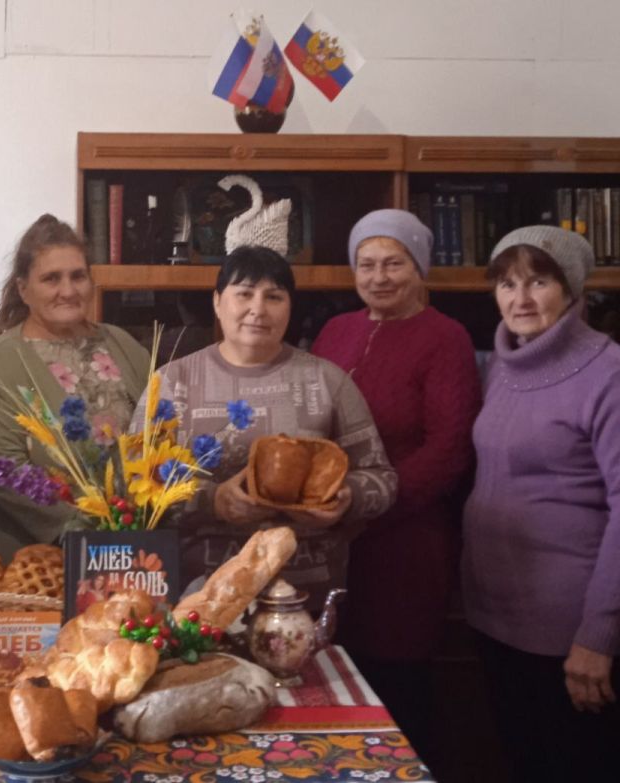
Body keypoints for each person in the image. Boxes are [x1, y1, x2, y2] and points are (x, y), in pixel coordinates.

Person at [132, 245, 398, 610]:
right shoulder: (172, 382)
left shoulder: (327, 381)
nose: (258, 309)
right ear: (217, 302)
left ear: (290, 306)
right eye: (244, 294)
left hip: (305, 596)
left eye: (274, 297)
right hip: (197, 596)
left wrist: (346, 497)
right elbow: (134, 484)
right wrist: (212, 501)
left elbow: (382, 479)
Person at [311, 209, 482, 762]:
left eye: (394, 263)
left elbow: (449, 450)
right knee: (332, 687)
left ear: (419, 267)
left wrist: (365, 505)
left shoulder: (446, 338)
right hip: (330, 540)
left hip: (406, 547)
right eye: (366, 264)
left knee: (397, 692)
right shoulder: (336, 331)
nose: (379, 277)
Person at [462, 225, 620, 782]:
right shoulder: (505, 365)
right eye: (507, 283)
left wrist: (598, 636)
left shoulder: (609, 373)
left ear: (571, 289)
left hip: (569, 630)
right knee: (522, 762)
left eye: (538, 282)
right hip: (497, 617)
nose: (520, 298)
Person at [0, 214, 150, 559]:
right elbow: (4, 470)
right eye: (51, 278)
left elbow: (158, 437)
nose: (68, 291)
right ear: (23, 289)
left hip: (132, 547)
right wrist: (99, 528)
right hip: (36, 560)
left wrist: (140, 518)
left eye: (77, 276)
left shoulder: (123, 345)